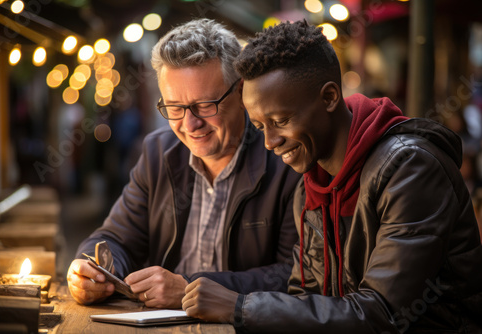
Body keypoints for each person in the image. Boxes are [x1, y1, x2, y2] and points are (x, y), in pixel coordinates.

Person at [183, 20, 482, 333]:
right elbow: (304, 297)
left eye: (281, 120)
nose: (270, 142)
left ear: (329, 97)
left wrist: (240, 306)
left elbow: (383, 314)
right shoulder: (311, 186)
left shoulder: (411, 169)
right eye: (260, 127)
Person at [67, 19, 300, 308]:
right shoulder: (158, 152)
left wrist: (191, 288)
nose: (190, 124)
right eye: (175, 108)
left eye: (205, 105)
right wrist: (91, 268)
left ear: (241, 92)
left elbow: (293, 274)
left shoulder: (284, 160)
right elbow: (116, 238)